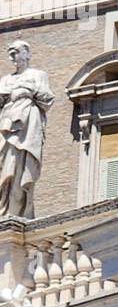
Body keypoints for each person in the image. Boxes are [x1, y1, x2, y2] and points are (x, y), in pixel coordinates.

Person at [0, 40, 54, 219]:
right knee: (5, 168)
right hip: (6, 125)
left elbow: (47, 100)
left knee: (20, 170)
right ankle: (4, 210)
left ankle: (17, 212)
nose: (12, 56)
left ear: (27, 53)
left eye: (16, 51)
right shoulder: (6, 80)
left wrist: (26, 91)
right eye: (10, 53)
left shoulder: (38, 75)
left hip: (27, 126)